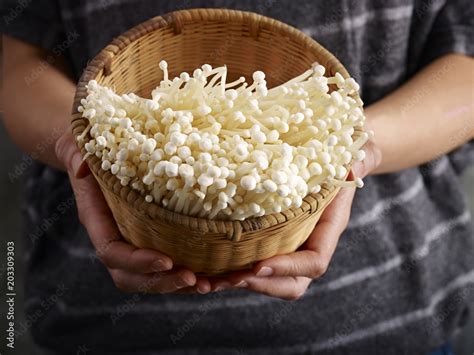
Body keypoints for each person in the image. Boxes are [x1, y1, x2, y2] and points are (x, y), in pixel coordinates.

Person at [1, 0, 473, 354]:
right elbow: (20, 62)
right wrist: (76, 142)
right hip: (107, 328)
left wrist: (358, 148)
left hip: (394, 317)